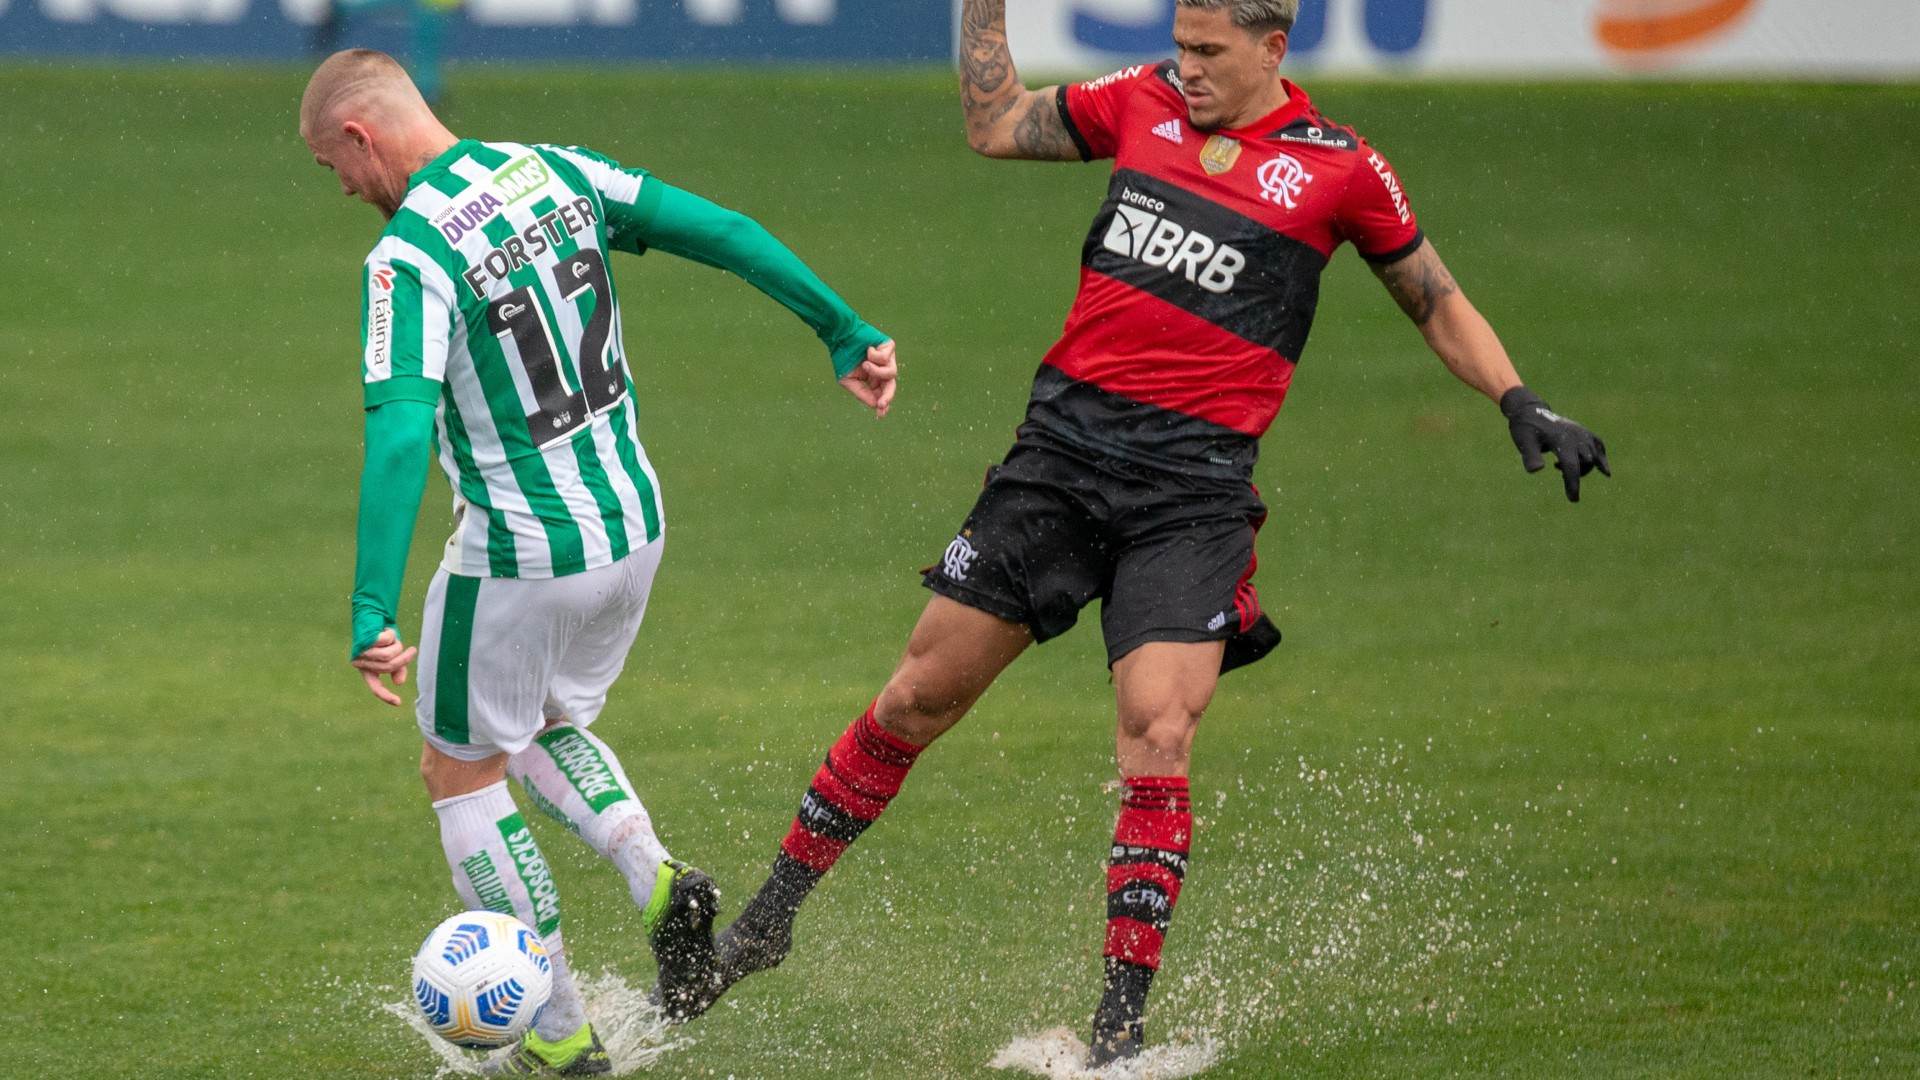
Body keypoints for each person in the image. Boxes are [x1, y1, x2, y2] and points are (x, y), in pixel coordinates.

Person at [671, 0, 1610, 1067]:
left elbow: (1433, 297)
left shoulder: (1341, 170)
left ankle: (1118, 1027)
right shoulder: (1141, 103)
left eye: (1210, 52)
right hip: (1056, 469)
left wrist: (1516, 398)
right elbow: (994, 124)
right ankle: (764, 923)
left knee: (1157, 734)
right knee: (917, 697)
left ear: (1273, 48)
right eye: (1181, 45)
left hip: (1192, 501)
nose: (1188, 68)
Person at [299, 49, 899, 1075]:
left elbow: (399, 435)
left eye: (332, 167)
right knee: (541, 723)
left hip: (521, 552)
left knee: (459, 770)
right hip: (632, 524)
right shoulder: (557, 172)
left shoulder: (406, 258)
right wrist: (839, 326)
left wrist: (369, 608)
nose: (343, 189)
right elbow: (723, 231)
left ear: (360, 135)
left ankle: (559, 1036)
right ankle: (661, 882)